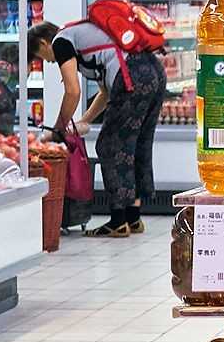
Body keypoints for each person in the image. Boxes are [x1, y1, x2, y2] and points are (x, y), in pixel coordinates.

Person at [28, 17, 165, 237]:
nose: (48, 62)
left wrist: (58, 130)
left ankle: (118, 222)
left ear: (44, 44)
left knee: (109, 146)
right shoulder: (82, 37)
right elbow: (105, 92)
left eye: (41, 57)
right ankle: (133, 216)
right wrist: (84, 120)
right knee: (137, 142)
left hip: (133, 76)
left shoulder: (61, 41)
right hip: (153, 72)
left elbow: (72, 91)